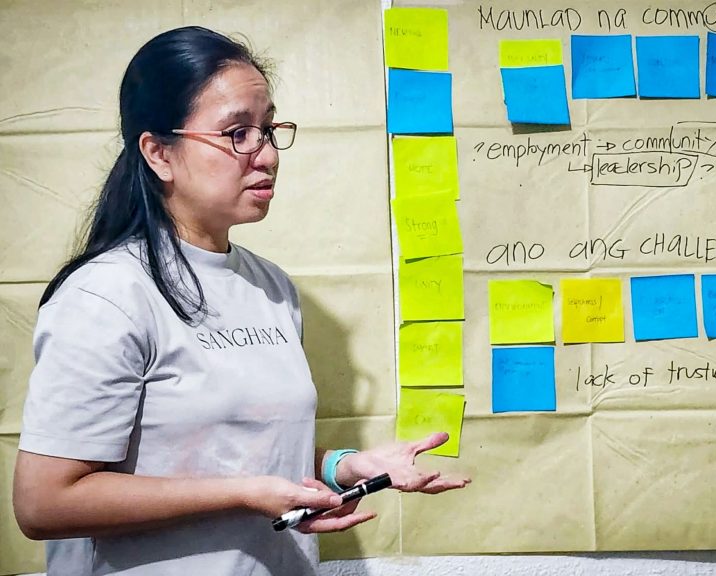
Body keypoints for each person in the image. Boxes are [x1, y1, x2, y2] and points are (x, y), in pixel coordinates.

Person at [12, 26, 469, 576]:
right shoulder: (105, 295)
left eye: (269, 129)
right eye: (238, 133)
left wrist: (347, 468)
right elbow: (44, 503)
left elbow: (244, 454)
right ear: (159, 152)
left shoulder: (271, 287)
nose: (268, 155)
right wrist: (245, 493)